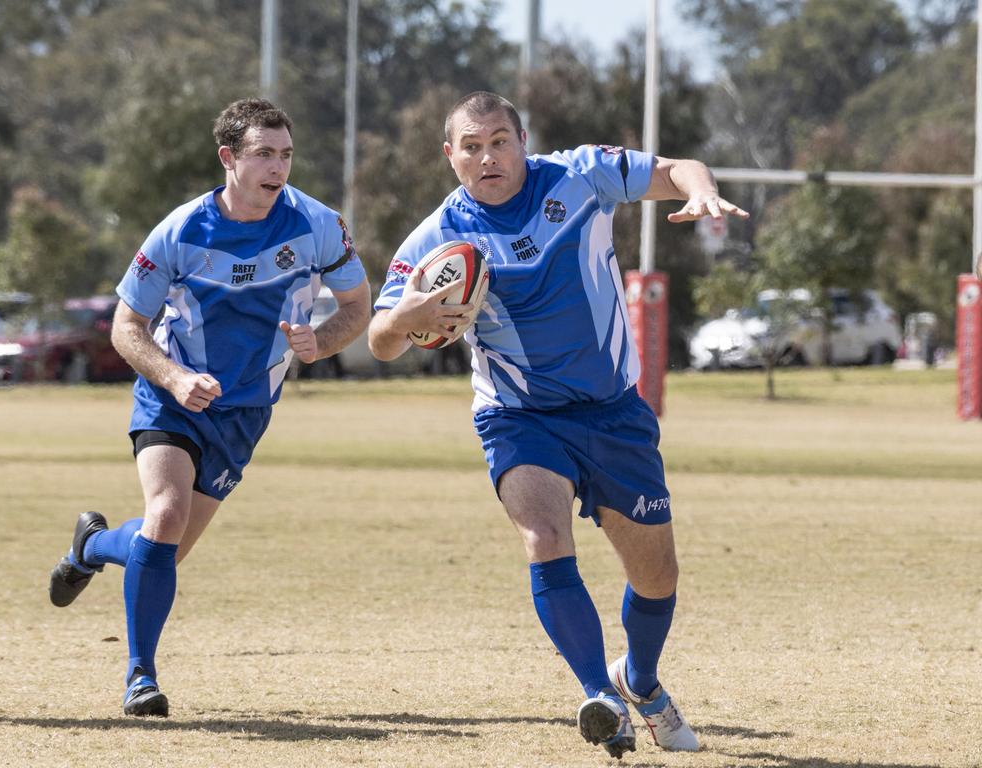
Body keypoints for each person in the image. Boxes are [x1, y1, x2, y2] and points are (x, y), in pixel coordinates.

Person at [368, 91, 749, 759]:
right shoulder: (436, 240)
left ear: (523, 141)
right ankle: (598, 694)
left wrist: (704, 192)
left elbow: (678, 167)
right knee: (543, 536)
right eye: (472, 145)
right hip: (517, 417)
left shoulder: (578, 176)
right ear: (450, 156)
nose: (488, 156)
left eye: (500, 141)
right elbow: (380, 340)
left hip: (612, 413)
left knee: (656, 576)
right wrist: (409, 318)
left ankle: (641, 680)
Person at [47, 98, 370, 717]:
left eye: (286, 155)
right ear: (229, 159)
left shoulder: (319, 224)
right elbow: (126, 326)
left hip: (246, 411)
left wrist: (318, 344)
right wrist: (172, 377)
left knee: (159, 549)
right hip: (172, 400)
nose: (279, 168)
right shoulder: (179, 232)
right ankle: (140, 677)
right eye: (263, 155)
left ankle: (89, 548)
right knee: (164, 517)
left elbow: (359, 306)